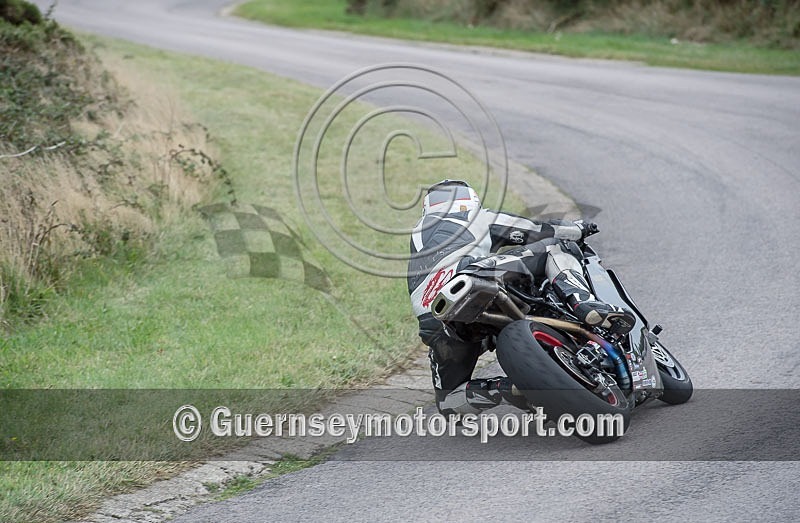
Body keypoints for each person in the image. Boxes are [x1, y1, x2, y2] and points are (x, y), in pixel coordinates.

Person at [407, 179, 635, 415]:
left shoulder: (418, 235)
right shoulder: (476, 217)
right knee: (553, 247)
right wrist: (578, 229)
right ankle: (583, 303)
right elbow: (535, 230)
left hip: (431, 318)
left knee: (448, 402)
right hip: (470, 278)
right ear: (469, 200)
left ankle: (505, 389)